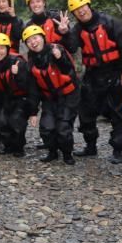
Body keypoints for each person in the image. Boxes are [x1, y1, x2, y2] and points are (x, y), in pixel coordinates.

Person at [59, 0, 122, 164]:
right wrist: (65, 32)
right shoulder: (77, 29)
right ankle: (91, 146)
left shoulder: (110, 23)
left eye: (83, 7)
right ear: (74, 14)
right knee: (86, 112)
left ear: (89, 5)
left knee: (117, 114)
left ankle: (117, 150)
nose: (81, 11)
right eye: (76, 10)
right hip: (92, 74)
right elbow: (72, 47)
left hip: (113, 72)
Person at [23, 25, 80, 165]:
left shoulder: (57, 50)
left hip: (68, 95)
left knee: (63, 128)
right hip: (49, 98)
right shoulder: (31, 62)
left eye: (35, 38)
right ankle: (52, 152)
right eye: (29, 41)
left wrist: (60, 58)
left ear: (43, 38)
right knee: (47, 128)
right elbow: (33, 90)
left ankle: (67, 154)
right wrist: (33, 112)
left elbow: (69, 71)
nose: (33, 42)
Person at [0, 33, 34, 157]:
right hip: (3, 98)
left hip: (20, 97)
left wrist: (17, 74)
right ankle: (8, 145)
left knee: (16, 121)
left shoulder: (18, 62)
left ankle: (19, 147)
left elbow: (27, 85)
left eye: (2, 48)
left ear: (7, 49)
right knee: (0, 121)